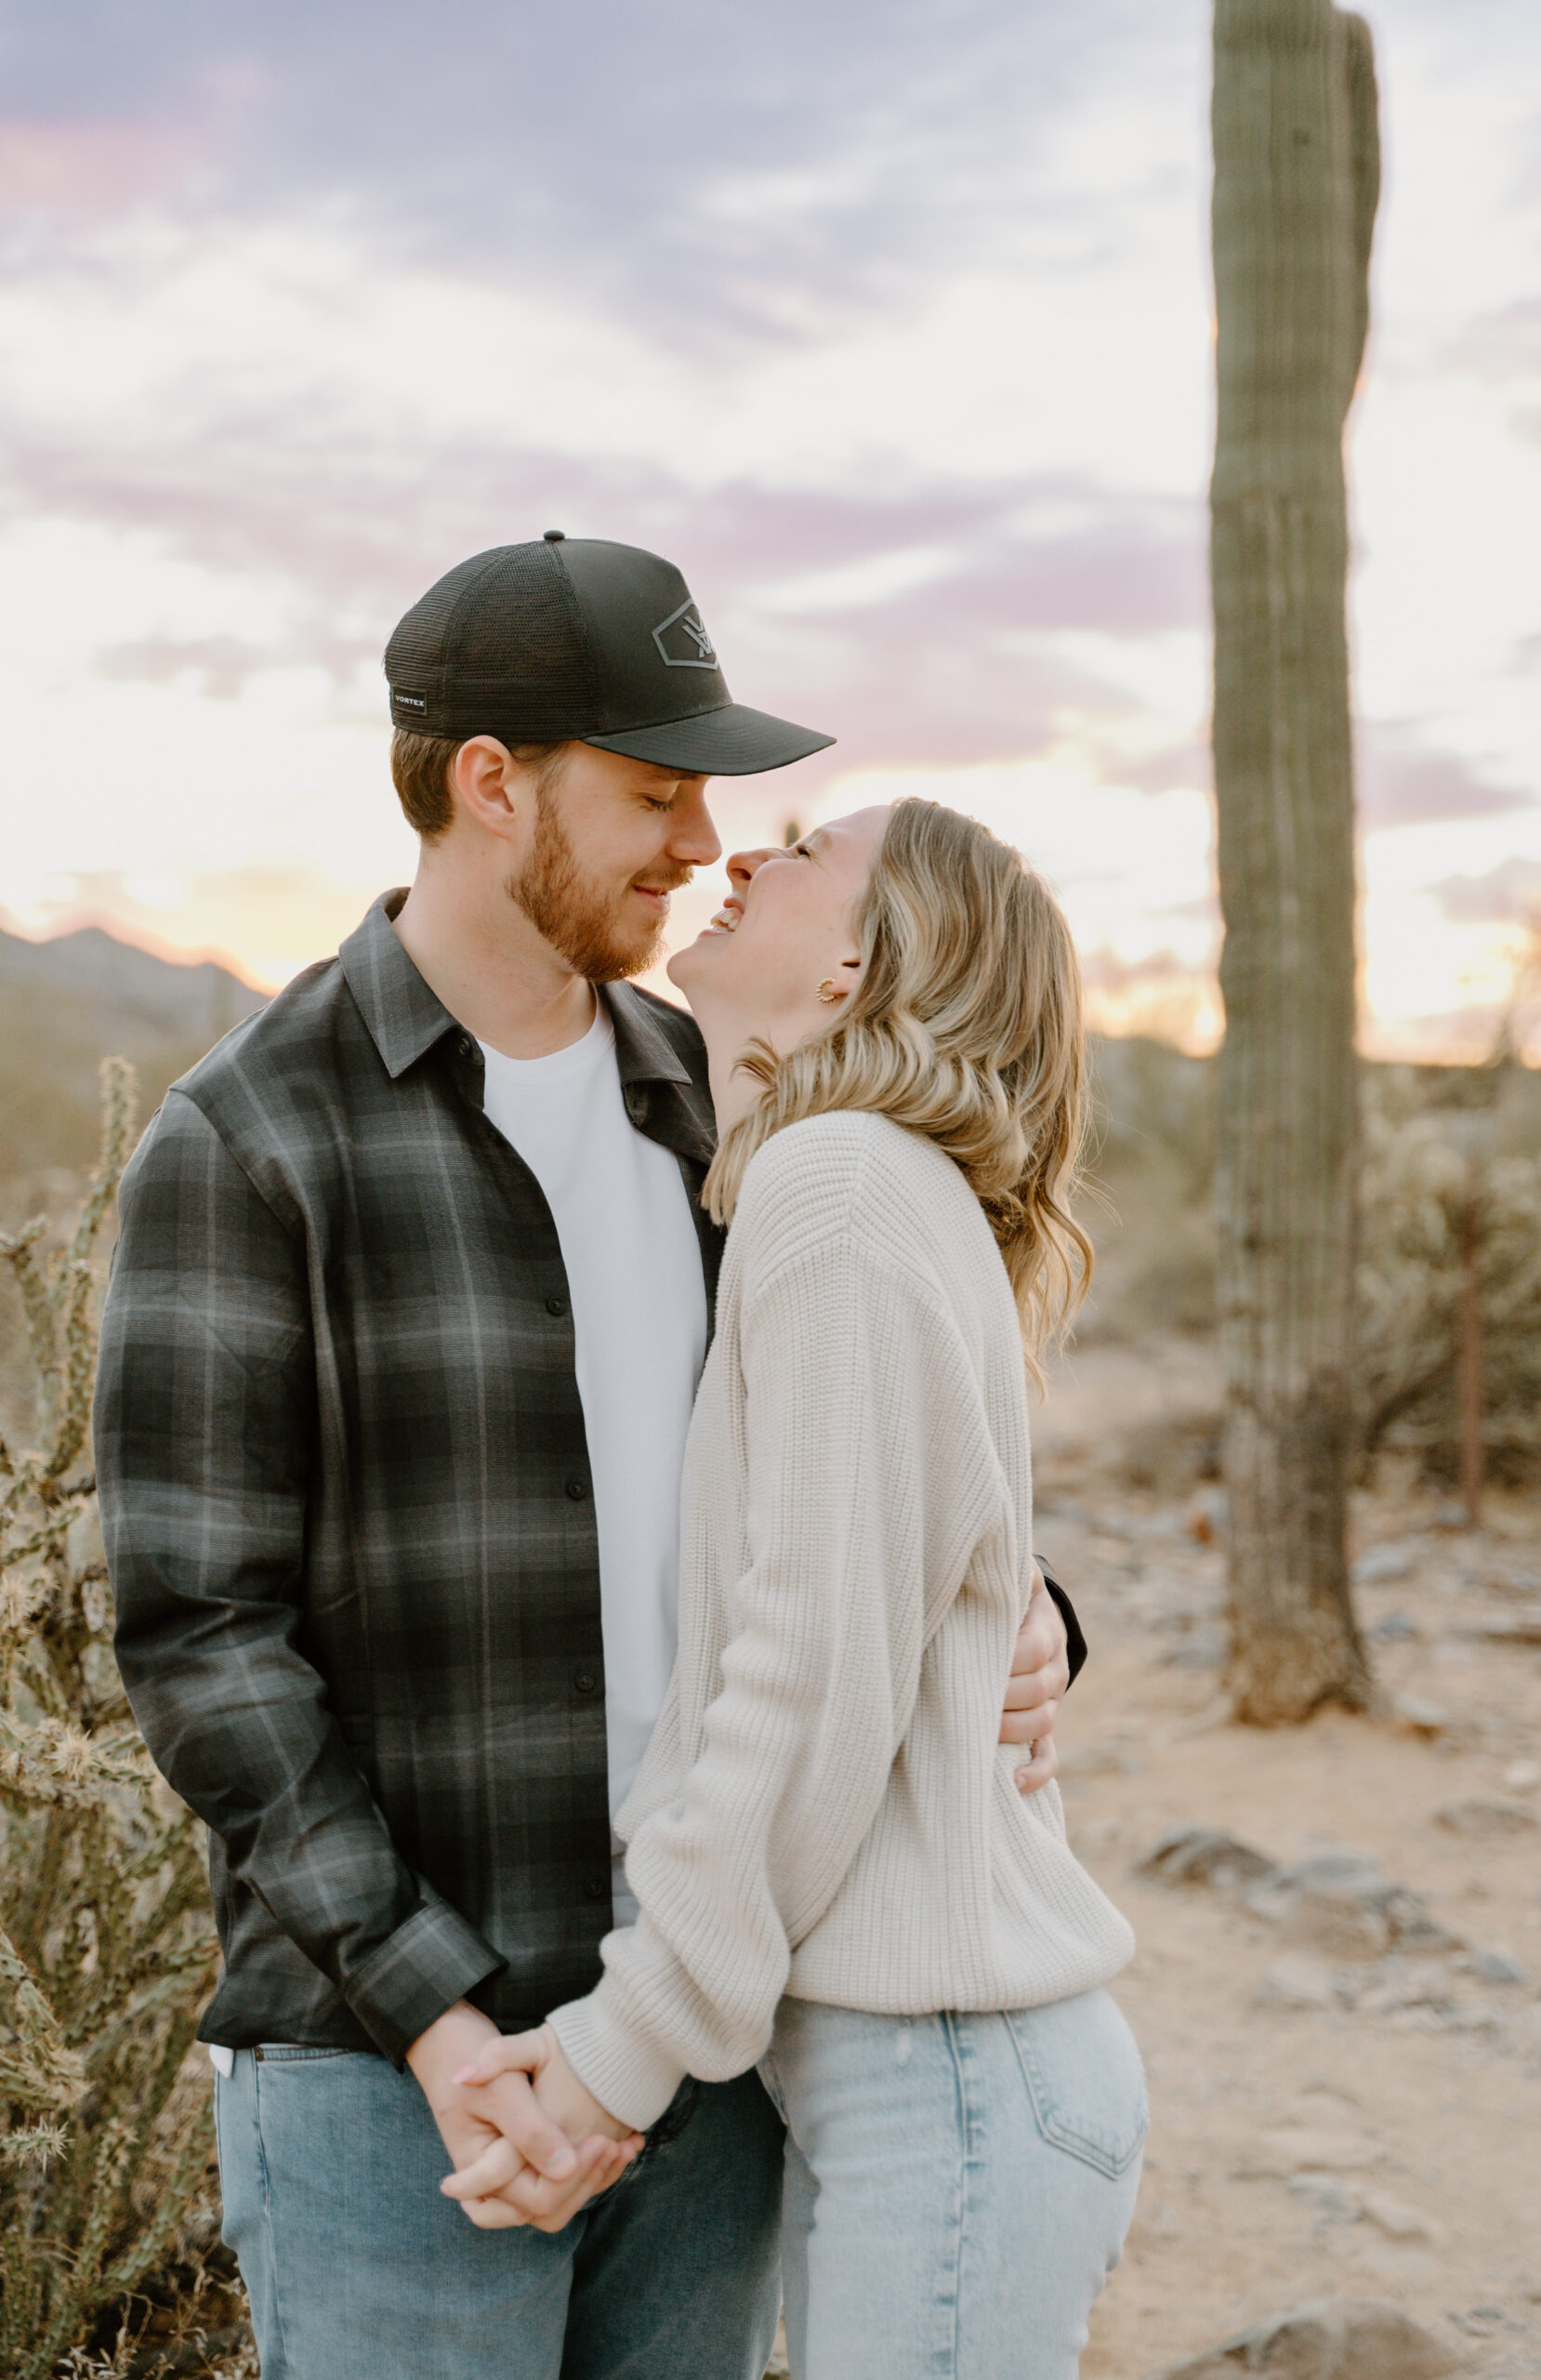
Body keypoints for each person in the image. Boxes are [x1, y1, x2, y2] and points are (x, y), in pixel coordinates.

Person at [93, 536, 1087, 2380]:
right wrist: (445, 2025)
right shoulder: (247, 1137)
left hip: (708, 2044)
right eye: (650, 788)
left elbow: (862, 1471)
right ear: (490, 782)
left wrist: (1027, 1616)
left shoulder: (736, 1104)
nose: (700, 841)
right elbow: (197, 1633)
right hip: (399, 2088)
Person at [450, 797, 1146, 2380]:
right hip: (943, 2085)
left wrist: (614, 2063)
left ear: (852, 969)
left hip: (950, 2086)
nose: (740, 861)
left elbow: (809, 1675)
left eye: (803, 852)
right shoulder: (848, 1184)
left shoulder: (834, 1187)